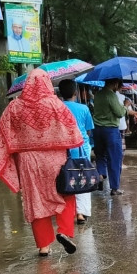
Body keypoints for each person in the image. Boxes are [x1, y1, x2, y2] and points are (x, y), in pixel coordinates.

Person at [0, 68, 80, 257]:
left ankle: (43, 247)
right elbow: (73, 130)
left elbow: (3, 131)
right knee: (65, 193)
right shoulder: (56, 105)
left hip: (29, 162)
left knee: (36, 201)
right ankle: (64, 232)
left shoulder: (14, 107)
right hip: (55, 159)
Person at [58, 79, 95, 224]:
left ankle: (67, 211)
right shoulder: (83, 108)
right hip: (81, 148)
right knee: (83, 178)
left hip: (62, 149)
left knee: (65, 178)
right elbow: (88, 130)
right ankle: (81, 213)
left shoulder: (57, 107)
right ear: (75, 92)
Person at [91, 78, 127, 195]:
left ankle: (101, 175)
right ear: (115, 83)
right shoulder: (111, 95)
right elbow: (119, 113)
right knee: (115, 158)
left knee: (100, 155)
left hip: (97, 129)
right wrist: (125, 106)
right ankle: (114, 188)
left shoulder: (98, 94)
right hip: (110, 130)